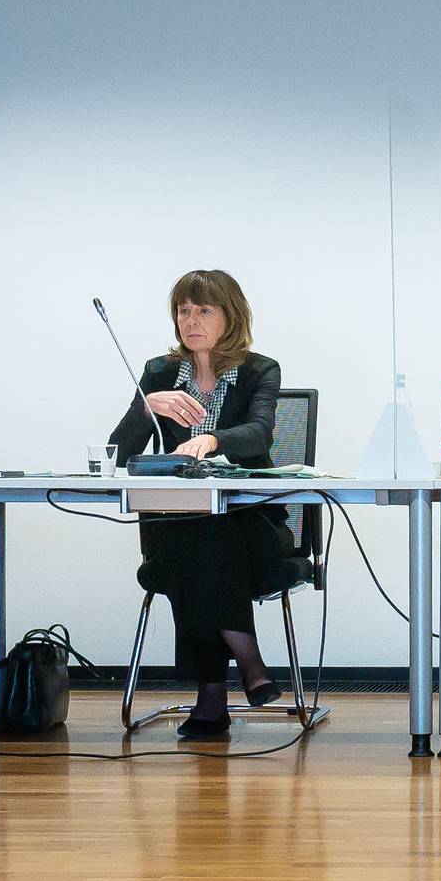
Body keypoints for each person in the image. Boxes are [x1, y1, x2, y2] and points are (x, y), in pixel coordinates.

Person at [105, 269, 290, 741]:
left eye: (203, 309)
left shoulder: (258, 370)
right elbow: (120, 452)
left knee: (204, 538)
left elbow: (259, 434)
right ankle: (246, 657)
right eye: (183, 310)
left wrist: (210, 437)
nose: (191, 320)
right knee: (193, 535)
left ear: (231, 316)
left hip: (251, 527)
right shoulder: (159, 374)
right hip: (180, 525)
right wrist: (148, 407)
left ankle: (211, 693)